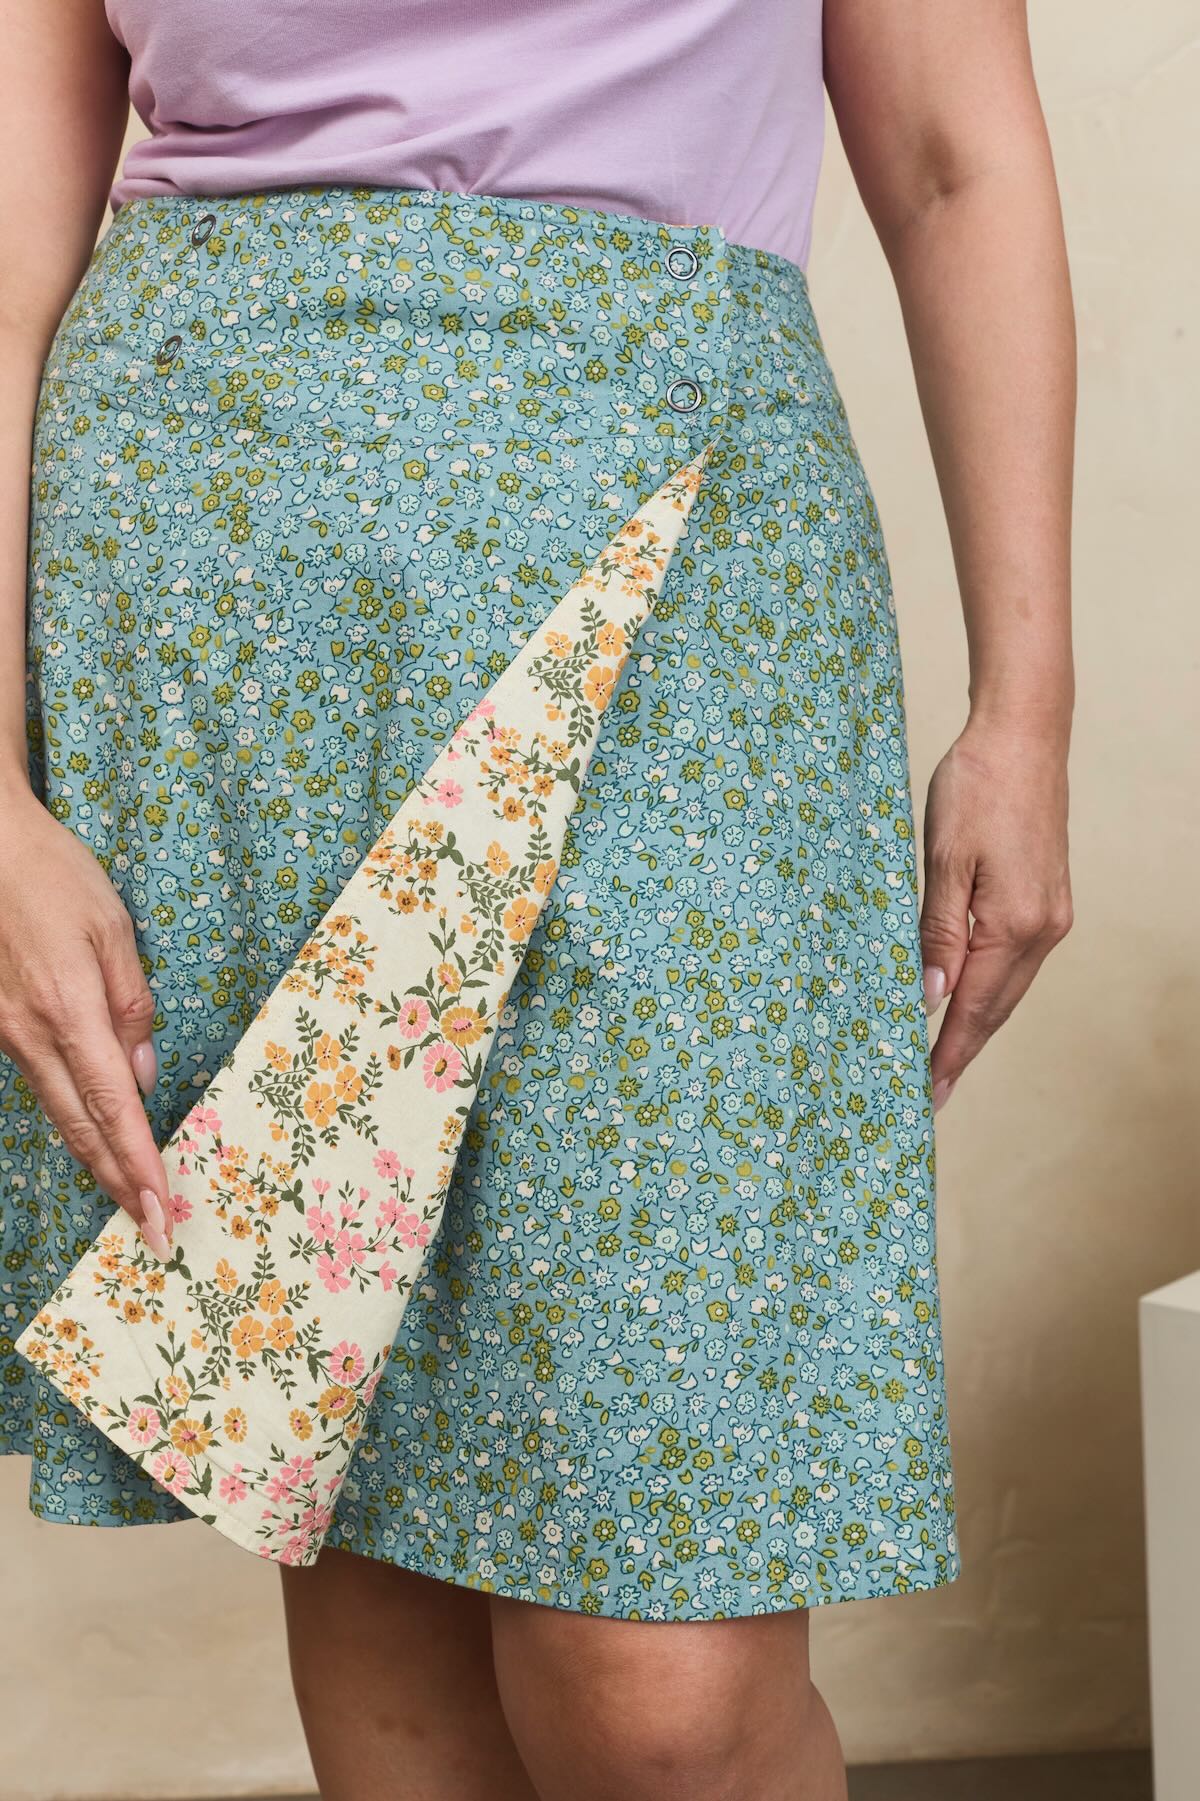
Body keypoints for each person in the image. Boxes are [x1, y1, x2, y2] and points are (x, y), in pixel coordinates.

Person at [0, 3, 1074, 1797]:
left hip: (678, 556)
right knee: (368, 1496)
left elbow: (954, 163)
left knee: (663, 1697)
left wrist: (1024, 711)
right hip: (217, 611)